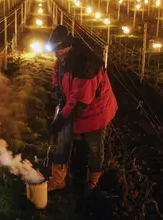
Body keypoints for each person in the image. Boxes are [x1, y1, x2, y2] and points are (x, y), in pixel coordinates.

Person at [47, 25, 118, 193]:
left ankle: (92, 182)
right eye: (56, 52)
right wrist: (57, 88)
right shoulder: (64, 56)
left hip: (95, 111)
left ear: (69, 46)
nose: (57, 55)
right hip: (74, 104)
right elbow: (58, 70)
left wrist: (60, 120)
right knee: (63, 141)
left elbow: (79, 101)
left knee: (94, 148)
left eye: (60, 51)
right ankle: (58, 180)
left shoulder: (86, 65)